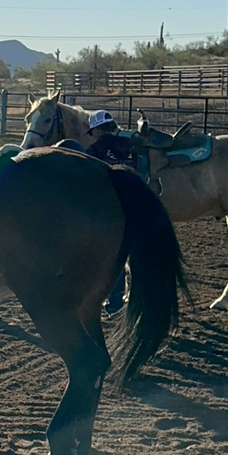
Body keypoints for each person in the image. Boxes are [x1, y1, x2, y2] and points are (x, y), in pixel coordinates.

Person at [85, 111, 139, 314]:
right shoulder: (129, 145)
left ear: (97, 130)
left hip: (109, 208)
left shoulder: (94, 150)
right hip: (134, 202)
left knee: (110, 255)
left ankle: (114, 300)